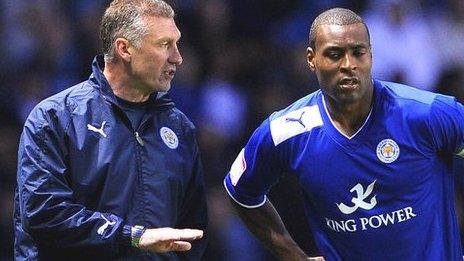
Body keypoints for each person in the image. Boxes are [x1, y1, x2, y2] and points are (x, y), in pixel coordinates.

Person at [224, 7, 464, 261]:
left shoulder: (427, 113)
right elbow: (240, 191)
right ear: (311, 59)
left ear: (371, 55)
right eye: (334, 54)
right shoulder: (287, 131)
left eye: (358, 53)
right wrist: (292, 255)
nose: (348, 65)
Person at [14, 0, 207, 260]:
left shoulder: (179, 128)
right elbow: (44, 214)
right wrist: (132, 236)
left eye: (177, 43)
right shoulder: (55, 118)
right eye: (164, 45)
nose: (178, 57)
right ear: (124, 48)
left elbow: (192, 229)